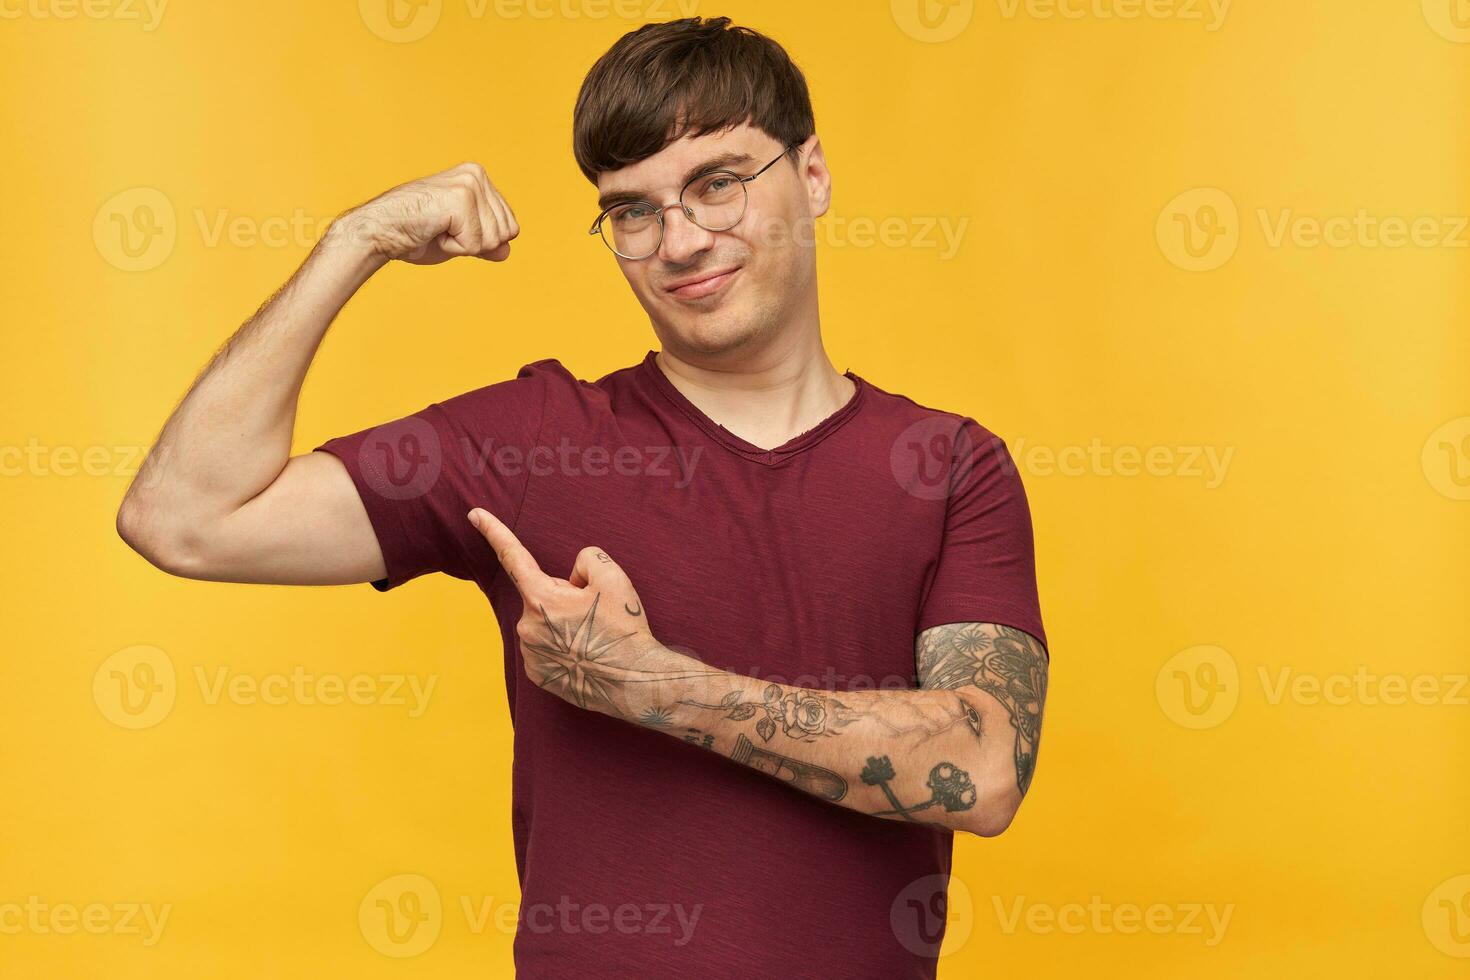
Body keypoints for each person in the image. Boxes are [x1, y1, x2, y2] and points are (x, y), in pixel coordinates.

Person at [116, 16, 1049, 978]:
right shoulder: (534, 441)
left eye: (717, 185)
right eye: (633, 210)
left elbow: (982, 771)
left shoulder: (946, 466)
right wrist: (356, 241)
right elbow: (183, 518)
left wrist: (657, 688)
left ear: (811, 175)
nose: (681, 241)